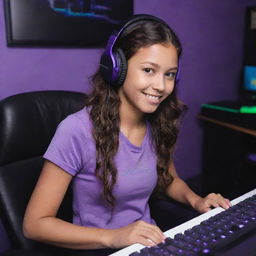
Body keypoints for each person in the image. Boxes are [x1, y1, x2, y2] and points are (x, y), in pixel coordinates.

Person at [23, 14, 231, 255]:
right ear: (117, 69)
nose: (161, 86)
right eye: (148, 70)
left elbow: (168, 180)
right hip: (99, 249)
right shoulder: (76, 130)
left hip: (149, 246)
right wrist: (115, 237)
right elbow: (35, 224)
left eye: (170, 74)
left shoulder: (158, 123)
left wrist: (196, 201)